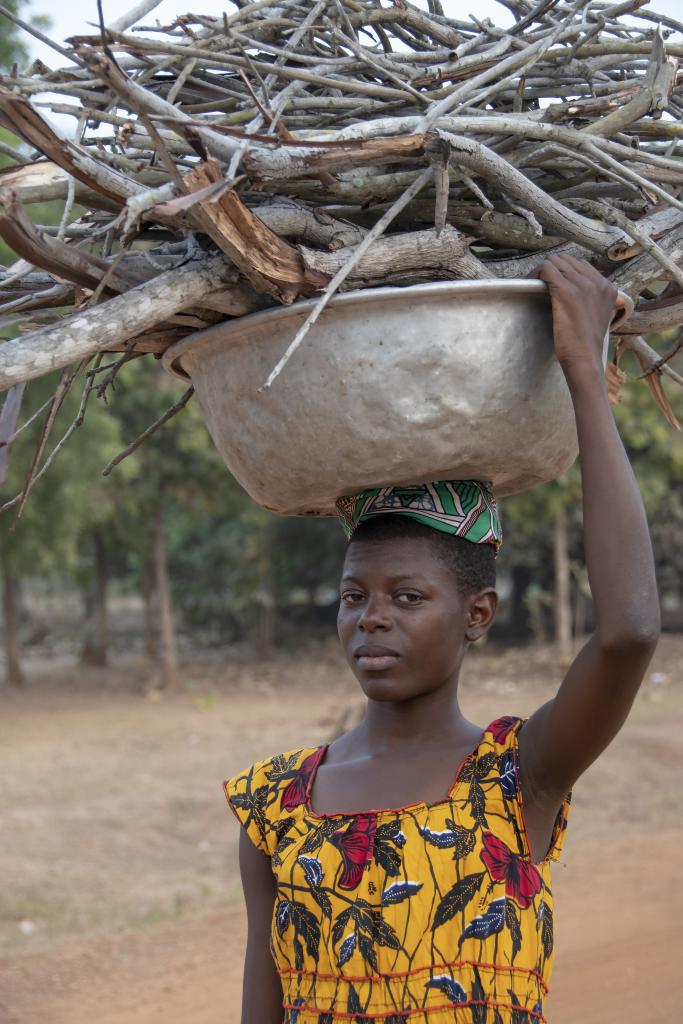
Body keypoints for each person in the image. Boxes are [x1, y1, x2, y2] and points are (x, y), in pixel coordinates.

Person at [223, 255, 660, 1024]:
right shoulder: (276, 803)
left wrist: (581, 371)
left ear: (477, 613)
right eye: (354, 595)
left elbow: (628, 634)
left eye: (408, 596)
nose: (372, 617)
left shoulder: (517, 774)